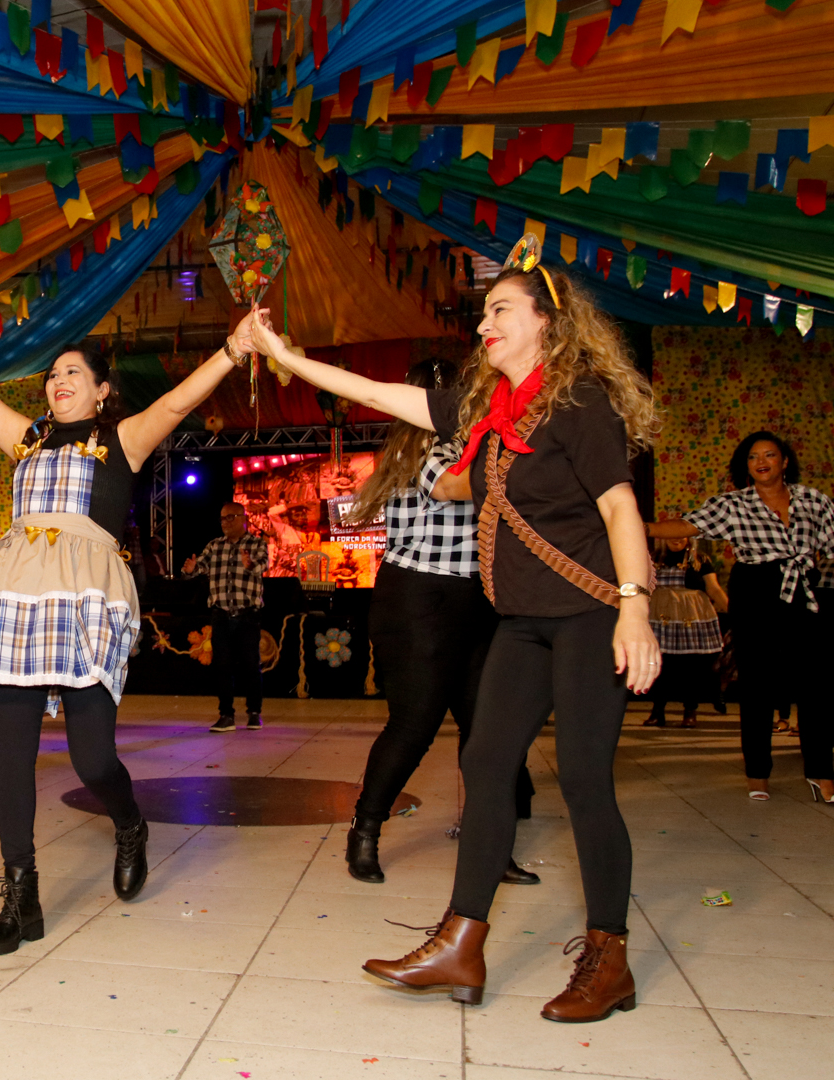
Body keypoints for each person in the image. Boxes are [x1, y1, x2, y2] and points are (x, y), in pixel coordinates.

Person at [250, 234, 660, 1023]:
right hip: (522, 624)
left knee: (584, 781)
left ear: (547, 322)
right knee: (485, 760)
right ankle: (461, 946)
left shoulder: (578, 403)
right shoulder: (487, 411)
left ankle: (609, 960)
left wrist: (636, 608)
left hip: (588, 616)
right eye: (483, 313)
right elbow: (378, 394)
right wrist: (287, 357)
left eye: (500, 310)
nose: (483, 325)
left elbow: (618, 507)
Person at [0, 285, 262, 956]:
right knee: (11, 754)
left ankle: (129, 823)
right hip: (18, 596)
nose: (57, 380)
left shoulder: (120, 439)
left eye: (73, 372)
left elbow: (175, 403)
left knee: (92, 758)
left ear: (101, 391)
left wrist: (231, 350)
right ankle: (21, 895)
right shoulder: (26, 440)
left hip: (87, 596)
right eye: (52, 374)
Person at [340, 362, 534, 887]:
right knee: (415, 724)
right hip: (418, 597)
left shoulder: (480, 441)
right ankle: (364, 830)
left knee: (486, 729)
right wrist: (529, 469)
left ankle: (490, 845)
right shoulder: (422, 445)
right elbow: (450, 488)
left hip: (476, 597)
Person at [648, 432, 834, 802]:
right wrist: (641, 527)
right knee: (758, 683)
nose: (761, 462)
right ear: (745, 466)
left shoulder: (813, 500)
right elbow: (687, 525)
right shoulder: (733, 504)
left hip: (804, 589)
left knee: (815, 684)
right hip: (755, 589)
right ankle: (757, 773)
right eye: (753, 456)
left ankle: (821, 772)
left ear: (784, 461)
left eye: (769, 455)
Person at [182, 500, 269, 732]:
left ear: (243, 519)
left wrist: (249, 564)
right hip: (220, 614)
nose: (225, 522)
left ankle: (254, 713)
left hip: (247, 614)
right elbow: (199, 567)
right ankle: (226, 715)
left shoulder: (256, 543)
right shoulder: (214, 546)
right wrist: (190, 570)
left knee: (251, 665)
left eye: (230, 517)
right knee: (222, 666)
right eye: (222, 518)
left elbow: (262, 565)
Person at [642, 537, 727, 729]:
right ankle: (657, 711)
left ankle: (690, 711)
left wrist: (732, 610)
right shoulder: (653, 558)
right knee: (660, 664)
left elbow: (713, 588)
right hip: (661, 616)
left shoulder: (699, 559)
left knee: (691, 666)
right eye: (671, 534)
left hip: (692, 616)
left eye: (681, 534)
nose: (677, 539)